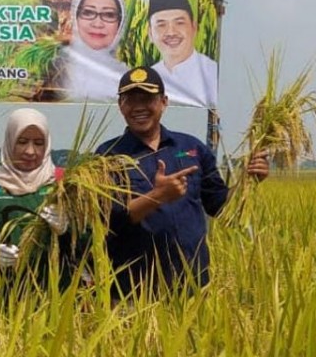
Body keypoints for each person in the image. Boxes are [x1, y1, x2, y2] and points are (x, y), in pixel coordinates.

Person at [98, 66, 268, 298]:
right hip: (133, 293)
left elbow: (220, 206)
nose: (138, 107)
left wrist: (249, 181)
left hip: (194, 288)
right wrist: (157, 196)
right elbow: (110, 219)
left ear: (164, 102)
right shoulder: (108, 156)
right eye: (130, 100)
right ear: (120, 105)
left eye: (147, 98)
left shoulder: (192, 148)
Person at [0, 108, 82, 297]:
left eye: (39, 143)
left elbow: (91, 238)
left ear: (47, 145)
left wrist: (67, 228)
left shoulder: (64, 184)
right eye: (22, 142)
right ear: (9, 141)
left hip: (55, 295)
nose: (30, 151)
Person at [147, 0, 218, 108]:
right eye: (161, 25)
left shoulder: (213, 73)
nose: (171, 32)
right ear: (150, 34)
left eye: (179, 23)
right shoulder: (147, 79)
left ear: (194, 27)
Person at [60, 0, 129, 102]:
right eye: (88, 12)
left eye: (109, 14)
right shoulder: (55, 68)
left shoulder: (129, 79)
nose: (97, 24)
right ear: (75, 18)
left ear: (120, 23)